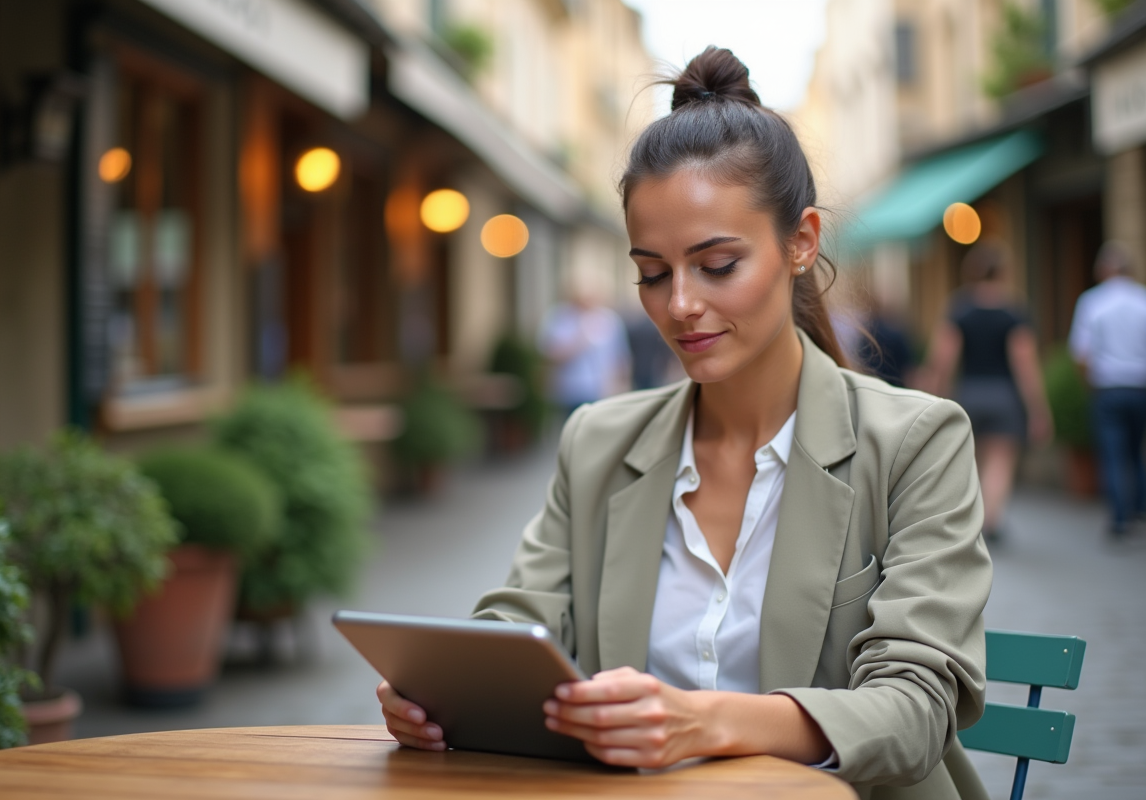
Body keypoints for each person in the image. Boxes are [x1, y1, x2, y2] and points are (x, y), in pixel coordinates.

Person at [379, 47, 992, 799]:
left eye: (717, 264)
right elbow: (523, 622)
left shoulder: (915, 443)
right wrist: (450, 691)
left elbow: (914, 709)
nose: (679, 306)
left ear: (800, 241)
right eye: (652, 272)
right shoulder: (600, 441)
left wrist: (705, 722)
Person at [924, 243, 1052, 542]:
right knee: (1001, 460)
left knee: (974, 458)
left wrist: (934, 394)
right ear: (1003, 273)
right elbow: (1025, 362)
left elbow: (943, 357)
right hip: (1004, 396)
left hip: (969, 393)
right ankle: (991, 520)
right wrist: (1038, 409)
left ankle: (975, 516)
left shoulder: (960, 308)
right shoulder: (1014, 310)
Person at [1068, 241, 1146, 537]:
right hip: (1139, 386)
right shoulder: (1143, 300)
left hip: (1108, 387)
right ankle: (1138, 509)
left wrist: (1089, 382)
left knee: (1112, 452)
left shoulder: (1092, 301)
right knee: (1135, 450)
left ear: (1104, 270)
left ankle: (1119, 518)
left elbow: (1081, 353)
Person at [538, 273, 632, 417]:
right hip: (569, 391)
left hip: (601, 391)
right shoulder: (559, 317)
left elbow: (620, 356)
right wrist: (578, 342)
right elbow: (549, 354)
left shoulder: (609, 319)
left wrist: (622, 385)